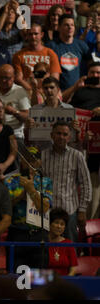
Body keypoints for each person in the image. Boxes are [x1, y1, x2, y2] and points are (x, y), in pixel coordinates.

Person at [41, 121, 92, 242]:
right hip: (48, 213)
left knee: (70, 252)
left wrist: (83, 210)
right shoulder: (42, 156)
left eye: (65, 134)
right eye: (58, 133)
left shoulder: (77, 156)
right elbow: (38, 183)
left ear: (69, 137)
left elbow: (86, 184)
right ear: (51, 135)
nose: (61, 137)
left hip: (70, 212)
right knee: (47, 254)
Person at [4, 146, 52, 270]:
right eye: (27, 159)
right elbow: (5, 207)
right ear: (21, 160)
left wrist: (31, 191)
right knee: (17, 277)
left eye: (34, 160)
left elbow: (45, 208)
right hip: (17, 233)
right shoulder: (10, 180)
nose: (31, 163)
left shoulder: (45, 181)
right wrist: (21, 196)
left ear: (40, 162)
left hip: (39, 234)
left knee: (38, 278)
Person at [63, 61, 100, 220]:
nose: (95, 75)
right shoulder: (80, 91)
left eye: (98, 73)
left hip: (98, 140)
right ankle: (87, 219)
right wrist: (76, 86)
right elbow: (64, 105)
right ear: (87, 74)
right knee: (88, 181)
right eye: (92, 72)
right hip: (82, 141)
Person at [26, 77, 76, 151]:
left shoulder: (69, 109)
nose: (49, 90)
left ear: (58, 89)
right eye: (46, 88)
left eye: (52, 87)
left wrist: (76, 128)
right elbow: (29, 140)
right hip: (42, 151)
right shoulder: (35, 110)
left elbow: (73, 137)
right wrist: (28, 128)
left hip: (64, 151)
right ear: (43, 90)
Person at [0, 64, 31, 144]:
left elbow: (27, 117)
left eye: (7, 78)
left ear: (13, 77)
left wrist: (14, 112)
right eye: (0, 77)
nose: (3, 80)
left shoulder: (20, 91)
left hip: (15, 133)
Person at [12, 23, 62, 94]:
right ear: (27, 36)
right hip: (27, 91)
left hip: (47, 92)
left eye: (36, 34)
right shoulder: (18, 55)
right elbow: (18, 79)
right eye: (30, 34)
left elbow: (55, 78)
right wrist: (33, 91)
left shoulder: (51, 54)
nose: (33, 37)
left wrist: (43, 91)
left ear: (42, 35)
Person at [46, 14, 90, 91]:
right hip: (57, 91)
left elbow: (92, 64)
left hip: (77, 90)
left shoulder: (81, 45)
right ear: (59, 27)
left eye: (72, 25)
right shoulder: (51, 46)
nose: (70, 27)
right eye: (66, 25)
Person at [47, 208, 78, 276]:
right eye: (56, 222)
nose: (59, 226)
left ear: (64, 227)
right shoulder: (43, 242)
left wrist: (66, 281)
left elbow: (73, 269)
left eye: (62, 224)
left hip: (64, 282)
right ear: (49, 224)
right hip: (47, 282)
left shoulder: (68, 244)